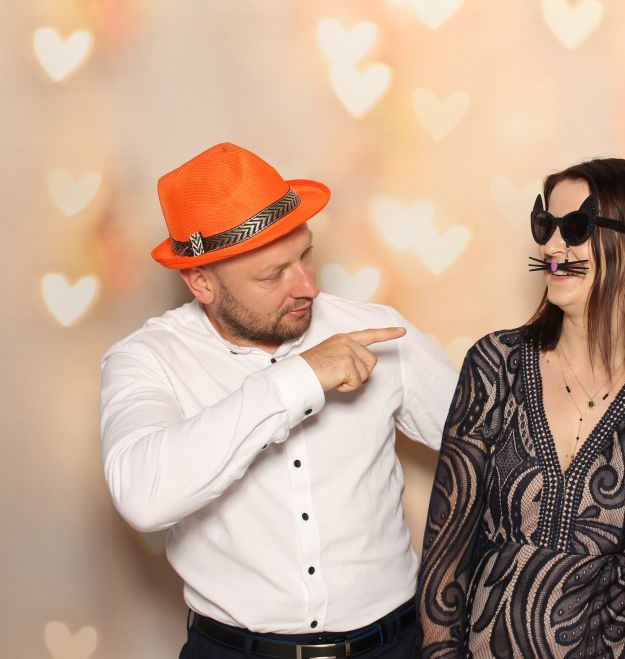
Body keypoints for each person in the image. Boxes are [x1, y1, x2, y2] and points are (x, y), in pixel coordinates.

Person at [99, 142, 457, 658]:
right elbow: (143, 497)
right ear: (201, 282)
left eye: (306, 254)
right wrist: (301, 378)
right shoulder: (146, 360)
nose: (307, 286)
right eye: (272, 274)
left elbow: (494, 447)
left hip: (393, 646)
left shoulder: (377, 330)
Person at [417, 158, 625, 658]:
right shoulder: (495, 365)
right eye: (546, 225)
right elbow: (443, 560)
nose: (551, 248)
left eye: (576, 227)